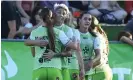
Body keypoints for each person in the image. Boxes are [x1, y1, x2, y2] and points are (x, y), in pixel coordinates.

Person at [25, 7, 78, 80]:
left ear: (40, 17)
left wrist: (36, 43)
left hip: (39, 68)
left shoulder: (34, 33)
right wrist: (75, 38)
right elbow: (74, 47)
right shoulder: (59, 32)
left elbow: (33, 53)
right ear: (53, 18)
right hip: (55, 68)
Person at [77, 12, 112, 80]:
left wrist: (89, 63)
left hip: (98, 71)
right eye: (85, 19)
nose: (87, 21)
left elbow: (99, 58)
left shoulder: (96, 36)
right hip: (104, 69)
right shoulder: (101, 35)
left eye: (89, 20)